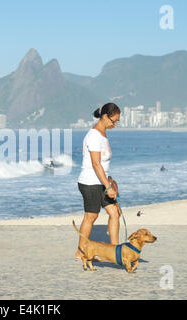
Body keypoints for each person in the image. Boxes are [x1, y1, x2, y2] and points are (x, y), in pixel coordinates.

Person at [76, 102, 121, 260]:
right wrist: (108, 187)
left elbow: (103, 165)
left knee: (114, 212)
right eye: (113, 121)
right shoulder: (94, 136)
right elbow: (95, 164)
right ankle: (81, 252)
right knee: (91, 216)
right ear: (104, 116)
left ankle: (115, 251)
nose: (115, 124)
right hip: (90, 182)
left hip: (102, 181)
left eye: (117, 121)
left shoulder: (103, 134)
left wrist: (110, 182)